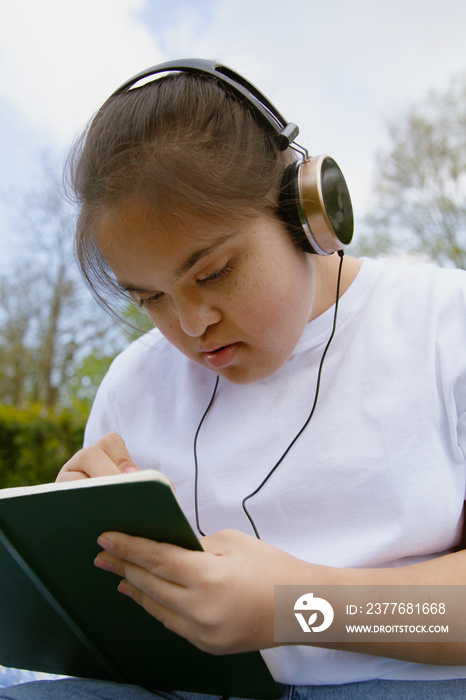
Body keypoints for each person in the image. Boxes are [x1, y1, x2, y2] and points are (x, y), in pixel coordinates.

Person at [2, 59, 466, 700]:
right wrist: (82, 549)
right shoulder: (130, 383)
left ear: (306, 212)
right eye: (150, 299)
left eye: (214, 271)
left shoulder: (446, 325)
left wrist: (295, 606)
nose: (191, 324)